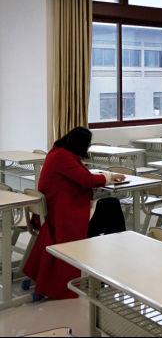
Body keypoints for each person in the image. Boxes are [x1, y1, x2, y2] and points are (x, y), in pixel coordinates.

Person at [23, 127, 126, 299]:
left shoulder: (57, 152)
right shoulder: (63, 157)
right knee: (112, 207)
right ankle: (117, 260)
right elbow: (86, 180)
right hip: (65, 217)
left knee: (110, 207)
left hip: (58, 211)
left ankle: (113, 259)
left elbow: (79, 176)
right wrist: (109, 177)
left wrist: (106, 176)